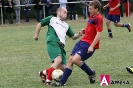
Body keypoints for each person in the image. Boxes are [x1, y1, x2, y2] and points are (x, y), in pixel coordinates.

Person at [51, 0, 103, 86]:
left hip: (89, 44)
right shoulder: (92, 16)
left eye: (91, 9)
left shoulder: (99, 18)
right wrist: (84, 31)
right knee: (70, 60)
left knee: (75, 59)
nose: (89, 10)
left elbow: (99, 33)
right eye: (89, 8)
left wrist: (91, 46)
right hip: (82, 41)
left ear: (97, 9)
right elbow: (91, 28)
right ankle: (62, 82)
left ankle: (91, 73)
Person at [34, 7, 82, 86]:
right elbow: (40, 24)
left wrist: (79, 34)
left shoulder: (66, 25)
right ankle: (48, 80)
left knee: (63, 68)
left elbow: (73, 36)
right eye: (64, 12)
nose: (66, 14)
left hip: (61, 47)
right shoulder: (52, 19)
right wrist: (36, 36)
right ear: (58, 12)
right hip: (53, 42)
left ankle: (43, 73)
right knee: (58, 60)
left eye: (66, 13)